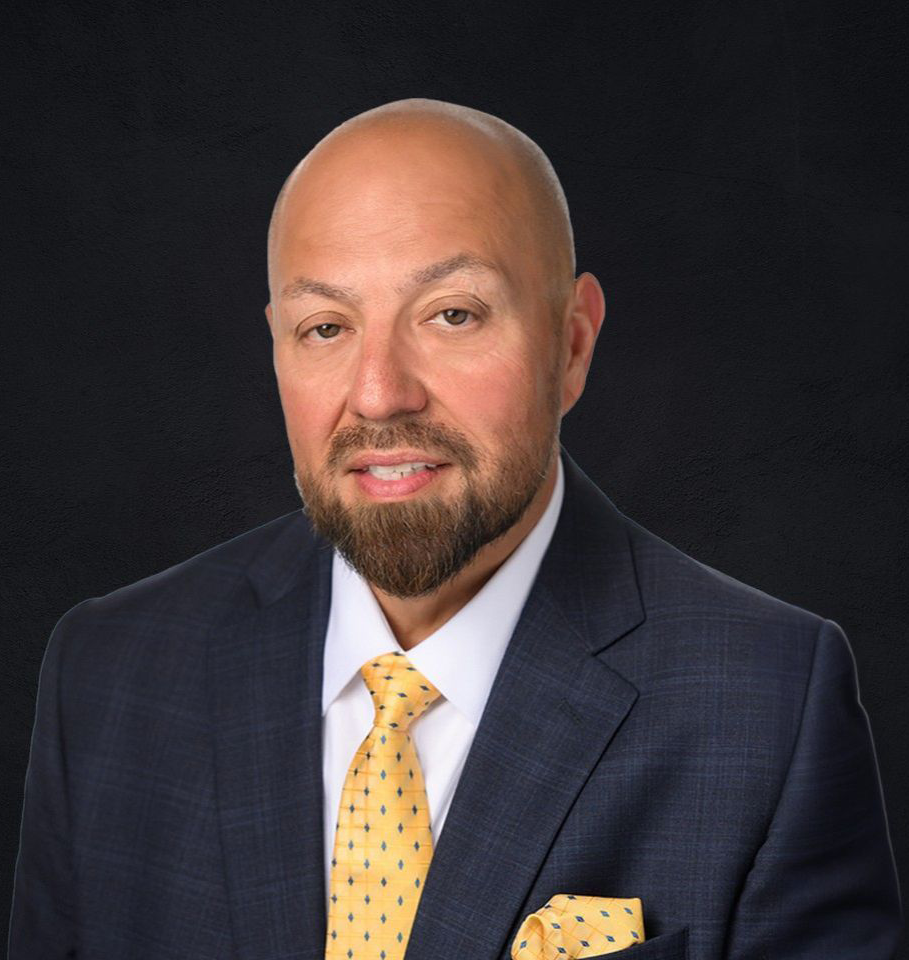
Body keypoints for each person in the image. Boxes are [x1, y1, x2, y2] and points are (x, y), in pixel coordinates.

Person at [8, 98, 901, 960]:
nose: (378, 393)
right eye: (326, 327)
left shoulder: (766, 704)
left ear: (573, 342)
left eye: (452, 315)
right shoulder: (109, 673)